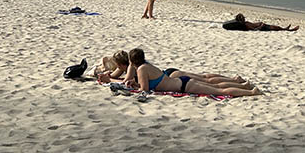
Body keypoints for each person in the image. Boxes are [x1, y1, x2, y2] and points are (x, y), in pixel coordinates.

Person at [105, 49, 261, 97]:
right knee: (212, 82)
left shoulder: (140, 69)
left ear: (132, 61)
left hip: (184, 86)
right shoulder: (145, 67)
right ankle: (245, 87)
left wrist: (132, 87)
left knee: (219, 90)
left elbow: (144, 90)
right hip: (182, 82)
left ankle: (252, 92)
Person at [222, 13, 298, 32]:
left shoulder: (244, 24)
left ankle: (285, 29)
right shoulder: (245, 25)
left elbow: (225, 24)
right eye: (243, 18)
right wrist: (261, 25)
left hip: (259, 25)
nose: (244, 19)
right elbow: (255, 29)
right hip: (262, 27)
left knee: (275, 27)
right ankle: (287, 30)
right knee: (274, 27)